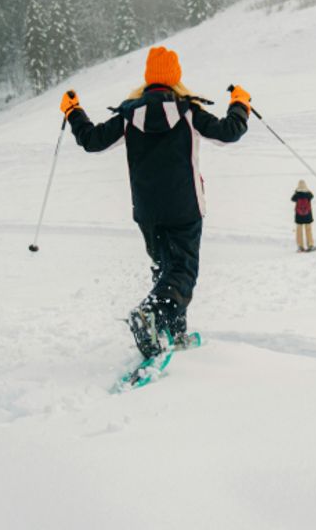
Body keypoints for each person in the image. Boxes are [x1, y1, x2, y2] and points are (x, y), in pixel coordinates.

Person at [62, 46, 251, 358]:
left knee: (166, 269)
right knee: (182, 272)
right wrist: (240, 103)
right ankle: (148, 316)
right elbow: (229, 133)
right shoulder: (189, 112)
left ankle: (173, 332)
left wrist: (73, 112)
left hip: (148, 211)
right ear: (175, 78)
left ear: (149, 79)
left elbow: (92, 141)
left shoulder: (128, 116)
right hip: (185, 207)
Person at [291, 180, 316, 253]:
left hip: (299, 216)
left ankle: (300, 246)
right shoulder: (308, 194)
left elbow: (292, 199)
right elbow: (312, 196)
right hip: (308, 215)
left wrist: (296, 191)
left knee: (299, 231)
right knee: (308, 230)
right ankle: (310, 245)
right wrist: (307, 189)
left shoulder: (297, 194)